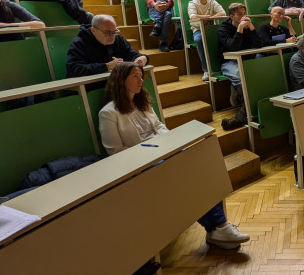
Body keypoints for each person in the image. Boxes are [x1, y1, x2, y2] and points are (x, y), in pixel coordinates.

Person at [97, 63, 250, 249]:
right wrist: (151, 152)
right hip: (140, 164)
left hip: (163, 151)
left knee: (200, 168)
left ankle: (219, 229)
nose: (140, 81)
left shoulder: (142, 101)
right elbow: (115, 152)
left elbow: (159, 127)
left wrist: (171, 143)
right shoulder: (108, 113)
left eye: (141, 77)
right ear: (121, 81)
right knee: (182, 179)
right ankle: (219, 227)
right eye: (135, 77)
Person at [217, 3, 262, 130]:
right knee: (241, 76)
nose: (243, 17)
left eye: (244, 14)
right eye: (239, 14)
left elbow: (259, 44)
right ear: (231, 16)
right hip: (229, 62)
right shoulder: (223, 30)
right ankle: (247, 111)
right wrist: (240, 30)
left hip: (246, 60)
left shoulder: (248, 27)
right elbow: (232, 48)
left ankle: (242, 114)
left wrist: (252, 27)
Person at [66, 14, 148, 80]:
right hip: (91, 86)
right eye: (107, 33)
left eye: (115, 32)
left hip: (113, 84)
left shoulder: (118, 39)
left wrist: (143, 58)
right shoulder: (79, 43)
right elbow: (73, 69)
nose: (112, 36)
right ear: (93, 30)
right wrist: (106, 66)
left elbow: (132, 54)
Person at [188, 0, 226, 82]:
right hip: (198, 29)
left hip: (211, 29)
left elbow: (222, 13)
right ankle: (206, 70)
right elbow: (193, 16)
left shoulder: (212, 1)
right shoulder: (192, 3)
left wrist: (209, 17)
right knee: (199, 40)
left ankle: (222, 66)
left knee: (223, 38)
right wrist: (209, 17)